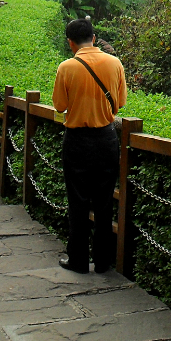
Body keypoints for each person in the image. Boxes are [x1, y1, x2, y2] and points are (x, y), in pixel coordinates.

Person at [52, 18, 127, 274]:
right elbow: (120, 103)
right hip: (106, 139)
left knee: (78, 201)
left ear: (70, 43)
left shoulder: (66, 67)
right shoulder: (114, 63)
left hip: (77, 141)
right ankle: (103, 262)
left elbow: (59, 106)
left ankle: (79, 260)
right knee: (105, 201)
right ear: (94, 38)